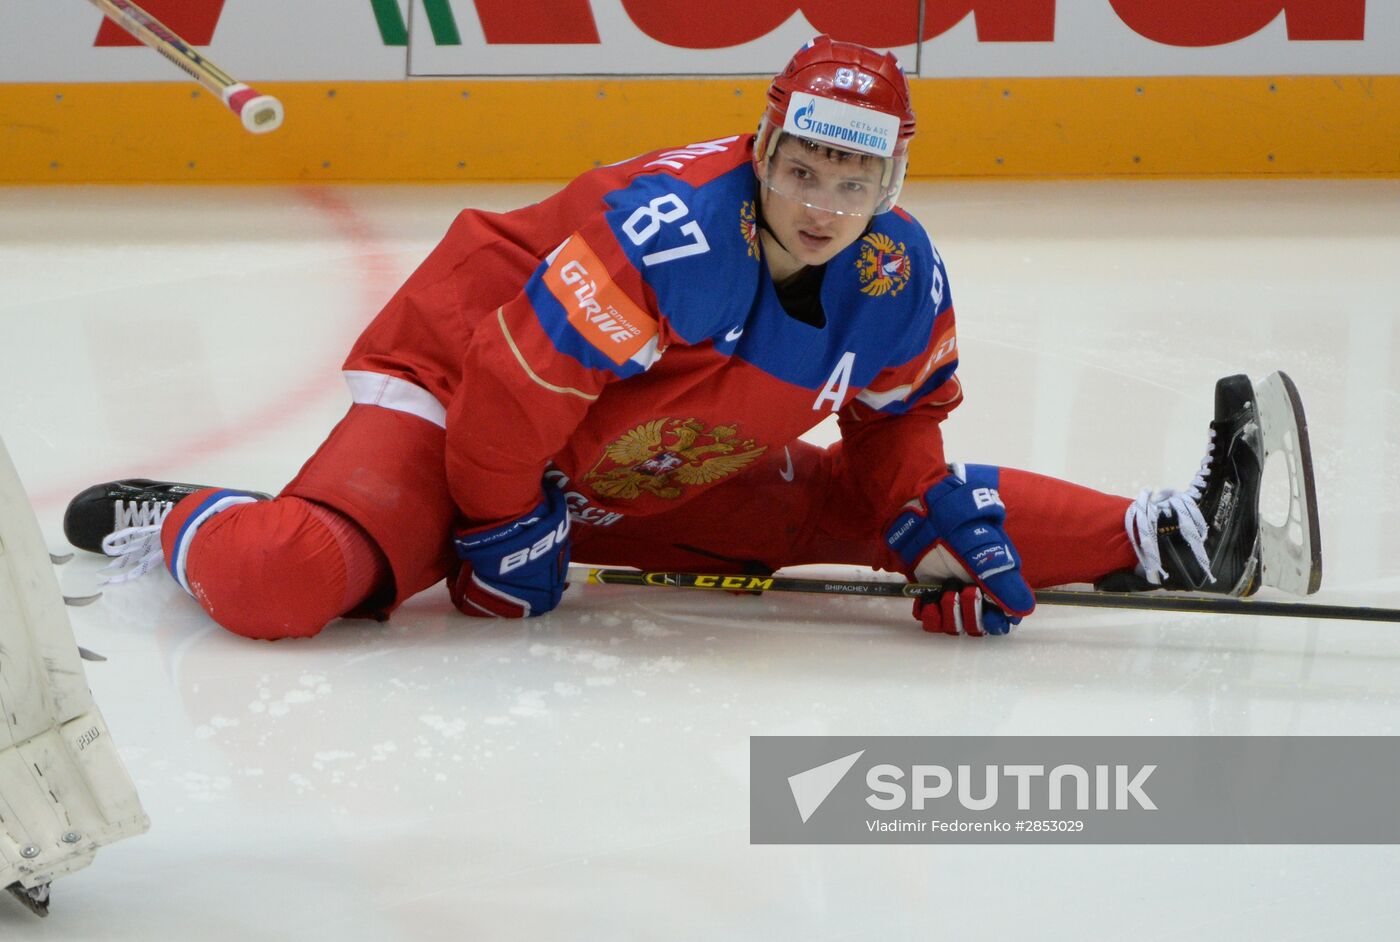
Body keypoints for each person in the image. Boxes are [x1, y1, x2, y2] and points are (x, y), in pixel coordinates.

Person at [63, 36, 1318, 642]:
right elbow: (507, 390)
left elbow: (899, 428)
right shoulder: (658, 231)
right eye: (803, 168)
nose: (821, 206)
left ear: (890, 183)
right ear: (763, 147)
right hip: (457, 398)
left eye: (853, 180)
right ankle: (177, 517)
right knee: (288, 583)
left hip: (620, 454)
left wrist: (927, 532)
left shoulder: (897, 270)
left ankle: (1170, 537)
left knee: (893, 509)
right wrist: (502, 532)